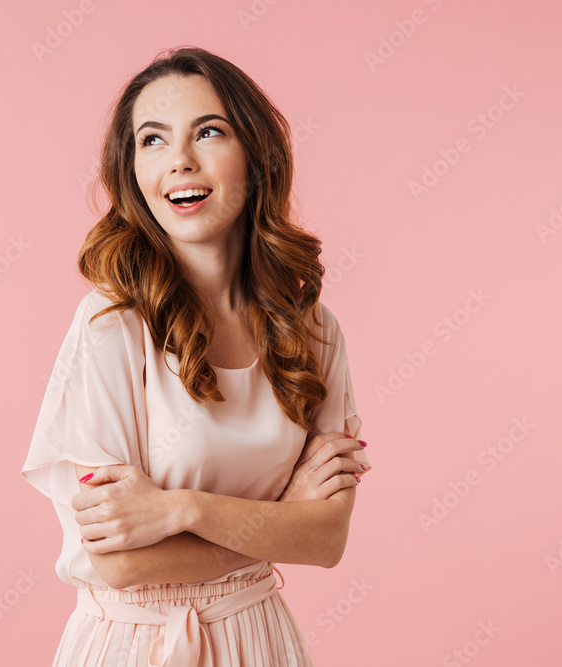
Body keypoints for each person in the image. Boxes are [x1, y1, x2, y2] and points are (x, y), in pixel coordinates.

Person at [21, 45, 372, 667]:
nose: (179, 161)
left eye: (208, 132)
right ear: (131, 172)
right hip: (135, 646)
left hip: (262, 638)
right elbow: (121, 562)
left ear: (257, 159)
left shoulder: (314, 332)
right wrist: (282, 519)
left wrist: (182, 510)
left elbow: (328, 538)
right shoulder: (112, 330)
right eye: (151, 140)